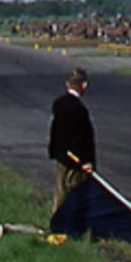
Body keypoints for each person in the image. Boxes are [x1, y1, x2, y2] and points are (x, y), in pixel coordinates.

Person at [48, 67, 96, 215]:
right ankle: (72, 228)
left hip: (61, 155)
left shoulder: (58, 103)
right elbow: (81, 137)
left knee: (60, 193)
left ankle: (57, 226)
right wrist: (86, 160)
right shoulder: (79, 109)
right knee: (76, 194)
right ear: (84, 85)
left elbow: (55, 130)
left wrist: (53, 151)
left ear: (67, 84)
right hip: (76, 160)